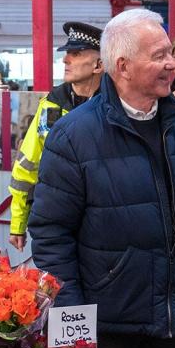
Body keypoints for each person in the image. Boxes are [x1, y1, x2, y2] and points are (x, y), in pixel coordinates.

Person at [28, 8, 175, 348]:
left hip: (169, 316)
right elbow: (51, 233)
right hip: (101, 323)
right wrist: (71, 313)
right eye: (160, 56)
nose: (172, 64)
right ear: (123, 66)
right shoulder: (72, 136)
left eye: (171, 53)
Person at [8, 22, 103, 251]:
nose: (65, 60)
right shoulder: (51, 105)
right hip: (55, 222)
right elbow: (26, 167)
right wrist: (18, 223)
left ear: (99, 64)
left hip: (102, 226)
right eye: (67, 53)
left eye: (76, 53)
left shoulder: (115, 108)